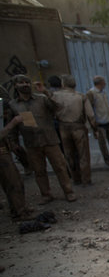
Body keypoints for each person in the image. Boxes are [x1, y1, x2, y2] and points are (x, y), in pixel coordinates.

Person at [7, 74, 76, 203]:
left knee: (60, 167)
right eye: (21, 82)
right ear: (16, 86)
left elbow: (58, 107)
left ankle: (68, 191)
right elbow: (13, 127)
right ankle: (46, 194)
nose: (25, 85)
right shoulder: (13, 105)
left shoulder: (42, 99)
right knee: (39, 171)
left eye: (27, 82)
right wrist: (14, 143)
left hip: (49, 140)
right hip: (32, 142)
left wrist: (45, 91)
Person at [53, 74, 97, 186]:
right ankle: (86, 180)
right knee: (83, 155)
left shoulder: (55, 96)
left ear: (63, 83)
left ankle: (76, 178)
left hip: (63, 127)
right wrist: (94, 129)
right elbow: (91, 115)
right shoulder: (80, 96)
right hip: (78, 128)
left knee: (69, 154)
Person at [0, 114, 30, 220]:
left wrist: (12, 145)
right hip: (2, 155)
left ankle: (18, 209)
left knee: (14, 182)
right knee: (13, 182)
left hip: (5, 150)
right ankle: (20, 212)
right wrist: (13, 123)